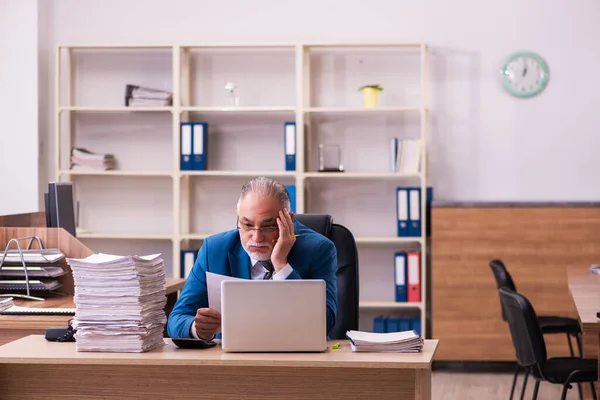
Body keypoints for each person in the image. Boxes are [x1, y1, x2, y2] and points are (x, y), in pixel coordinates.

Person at [167, 176, 338, 340]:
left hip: (298, 358)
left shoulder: (319, 250)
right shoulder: (214, 250)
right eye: (247, 225)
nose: (256, 237)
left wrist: (281, 265)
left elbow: (324, 324)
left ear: (288, 221)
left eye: (268, 226)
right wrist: (198, 328)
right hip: (231, 360)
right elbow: (176, 319)